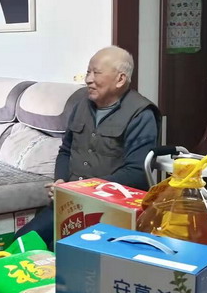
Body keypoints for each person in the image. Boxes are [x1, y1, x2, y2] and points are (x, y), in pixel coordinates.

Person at [14, 47, 160, 249]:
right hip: (70, 202)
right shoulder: (82, 105)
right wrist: (61, 181)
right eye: (88, 72)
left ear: (120, 79)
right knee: (22, 242)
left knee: (64, 252)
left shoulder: (141, 114)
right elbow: (66, 150)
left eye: (96, 73)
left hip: (109, 209)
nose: (88, 79)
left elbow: (136, 173)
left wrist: (82, 190)